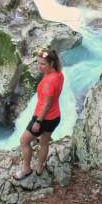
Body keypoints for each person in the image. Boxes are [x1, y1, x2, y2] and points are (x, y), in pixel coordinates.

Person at [13, 49, 64, 180]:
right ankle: (40, 167)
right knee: (44, 142)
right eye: (38, 63)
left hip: (43, 118)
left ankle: (26, 169)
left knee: (24, 141)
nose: (39, 66)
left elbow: (46, 104)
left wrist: (38, 122)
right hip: (55, 116)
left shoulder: (48, 81)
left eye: (43, 64)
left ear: (51, 63)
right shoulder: (59, 74)